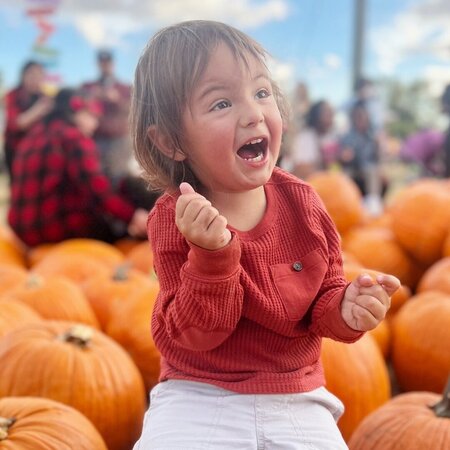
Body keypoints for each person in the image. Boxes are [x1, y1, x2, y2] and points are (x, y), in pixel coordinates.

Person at [130, 20, 400, 449]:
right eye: (221, 104)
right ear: (170, 141)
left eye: (261, 93)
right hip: (198, 393)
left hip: (295, 393)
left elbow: (321, 299)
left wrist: (347, 309)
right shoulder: (175, 217)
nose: (254, 112)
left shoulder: (304, 204)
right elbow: (196, 334)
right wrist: (211, 256)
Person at [8, 88, 149, 247]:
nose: (95, 124)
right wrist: (134, 216)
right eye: (92, 116)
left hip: (23, 232)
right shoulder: (73, 137)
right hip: (56, 231)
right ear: (76, 112)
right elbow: (97, 190)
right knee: (130, 190)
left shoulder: (33, 135)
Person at [81, 49, 133, 186]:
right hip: (95, 139)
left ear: (113, 63)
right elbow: (79, 106)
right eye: (102, 62)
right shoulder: (88, 86)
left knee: (119, 179)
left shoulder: (125, 88)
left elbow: (135, 110)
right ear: (98, 64)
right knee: (95, 178)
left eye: (107, 62)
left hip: (119, 140)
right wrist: (93, 97)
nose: (105, 65)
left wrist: (116, 99)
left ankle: (117, 207)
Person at [2, 60, 54, 180]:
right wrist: (39, 109)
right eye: (32, 74)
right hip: (16, 151)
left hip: (38, 152)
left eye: (39, 75)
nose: (35, 79)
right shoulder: (13, 95)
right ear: (23, 76)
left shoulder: (44, 97)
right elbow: (16, 124)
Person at [339, 100, 386, 215]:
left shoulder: (372, 136)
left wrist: (379, 146)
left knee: (372, 171)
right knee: (346, 175)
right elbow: (343, 158)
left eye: (363, 117)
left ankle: (373, 204)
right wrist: (345, 157)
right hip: (353, 169)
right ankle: (345, 203)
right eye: (358, 117)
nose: (360, 120)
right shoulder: (348, 137)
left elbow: (379, 158)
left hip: (369, 170)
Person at [281, 100, 340, 179]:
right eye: (327, 113)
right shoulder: (305, 138)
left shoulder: (331, 137)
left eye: (331, 113)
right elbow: (300, 168)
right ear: (317, 116)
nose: (332, 116)